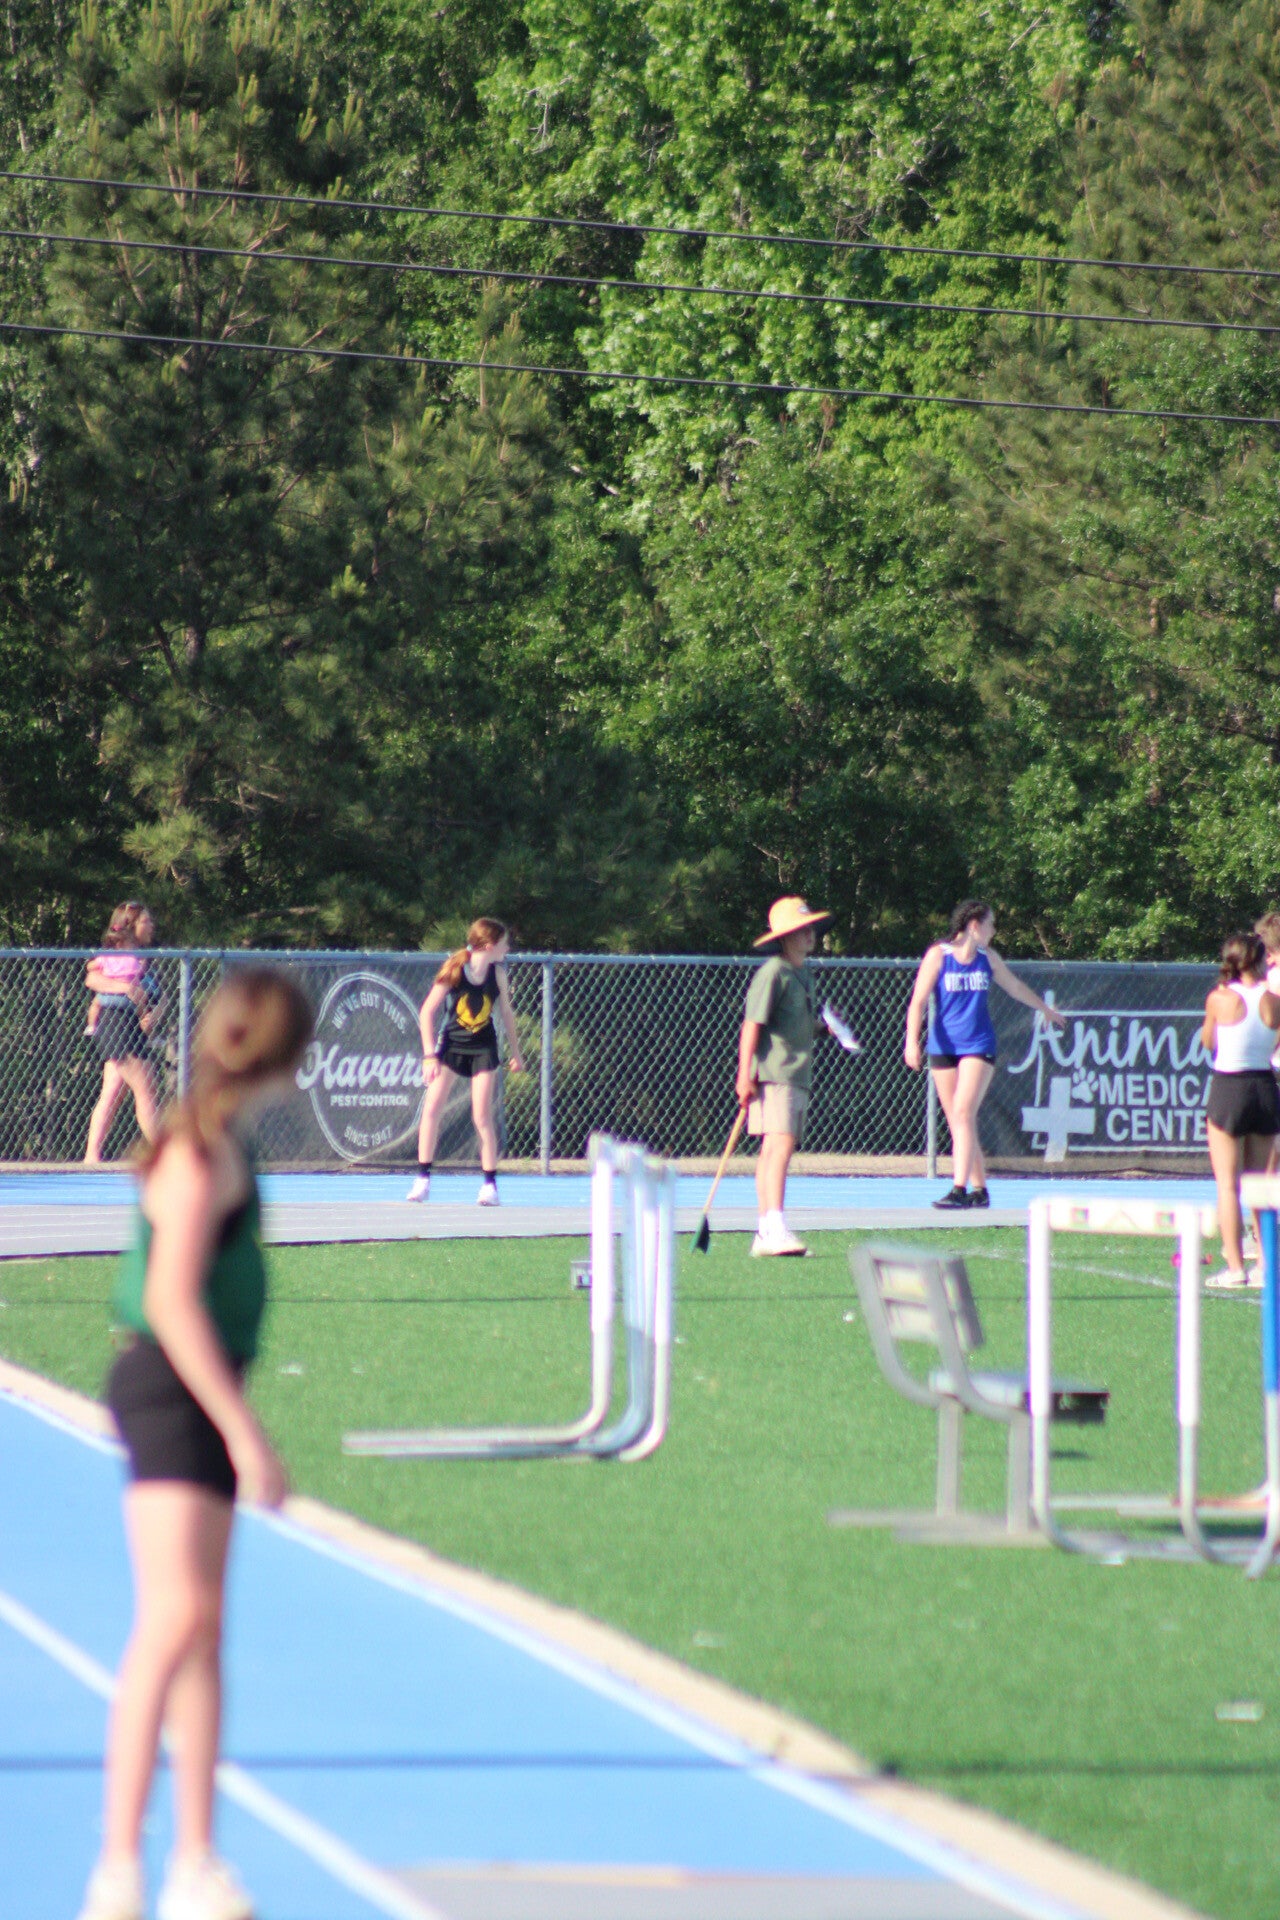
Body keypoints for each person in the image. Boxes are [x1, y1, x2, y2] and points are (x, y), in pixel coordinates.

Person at [75, 968, 314, 1920]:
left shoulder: (225, 1141)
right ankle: (116, 1867)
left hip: (204, 1391)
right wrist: (246, 1435)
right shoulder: (200, 1149)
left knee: (205, 1629)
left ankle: (194, 1861)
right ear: (286, 1052)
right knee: (172, 1621)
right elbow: (170, 1300)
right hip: (172, 1394)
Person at [904, 899, 1067, 1209]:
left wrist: (1044, 1009)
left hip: (978, 1046)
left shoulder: (987, 959)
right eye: (991, 924)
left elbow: (1014, 987)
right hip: (943, 1047)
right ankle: (980, 1190)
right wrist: (912, 1042)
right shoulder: (939, 955)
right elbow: (918, 1002)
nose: (994, 931)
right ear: (974, 925)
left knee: (963, 1113)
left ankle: (959, 1189)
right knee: (958, 1121)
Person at [736, 895, 832, 1257]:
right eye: (801, 929)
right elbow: (752, 1025)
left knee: (775, 1149)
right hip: (776, 1075)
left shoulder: (802, 974)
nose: (810, 934)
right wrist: (744, 1074)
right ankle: (773, 1227)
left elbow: (797, 1022)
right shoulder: (773, 973)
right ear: (785, 937)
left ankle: (766, 1230)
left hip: (796, 1074)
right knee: (778, 1148)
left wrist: (824, 1028)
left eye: (810, 928)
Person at [407, 917, 524, 1205]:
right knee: (432, 1109)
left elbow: (506, 1013)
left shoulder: (497, 974)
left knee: (481, 1116)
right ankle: (422, 1180)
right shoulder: (455, 969)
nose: (507, 948)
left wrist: (516, 1052)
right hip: (450, 1047)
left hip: (483, 1048)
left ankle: (489, 1185)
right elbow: (426, 1012)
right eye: (504, 943)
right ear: (489, 945)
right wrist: (429, 1056)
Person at [1202, 930, 1280, 1288]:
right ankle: (1266, 1264)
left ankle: (1234, 1268)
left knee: (1228, 1186)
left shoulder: (1219, 998)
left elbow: (1209, 1041)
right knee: (1260, 1185)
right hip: (1264, 1089)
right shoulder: (1273, 1001)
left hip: (1229, 1089)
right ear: (1260, 960)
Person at [84, 904, 166, 1165]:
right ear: (131, 925)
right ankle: (166, 1157)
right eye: (145, 921)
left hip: (132, 1026)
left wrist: (155, 1013)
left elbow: (158, 994)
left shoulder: (142, 958)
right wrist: (125, 988)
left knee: (112, 1094)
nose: (151, 926)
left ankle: (91, 1157)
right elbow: (92, 979)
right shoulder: (115, 955)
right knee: (146, 1088)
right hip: (116, 1025)